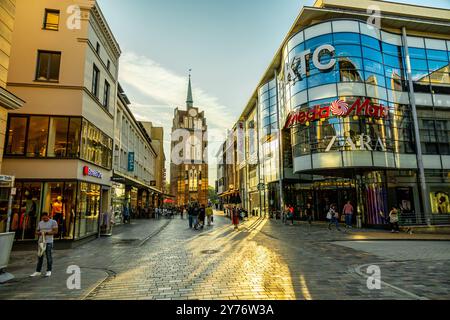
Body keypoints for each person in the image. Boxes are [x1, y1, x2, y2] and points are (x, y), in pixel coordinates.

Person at [30, 213, 58, 277]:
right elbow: (36, 231)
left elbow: (55, 231)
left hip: (49, 241)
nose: (44, 219)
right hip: (41, 241)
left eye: (45, 218)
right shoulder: (40, 223)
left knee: (48, 256)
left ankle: (49, 270)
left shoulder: (53, 222)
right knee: (40, 257)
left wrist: (47, 233)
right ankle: (38, 271)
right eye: (43, 218)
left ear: (48, 216)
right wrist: (39, 233)